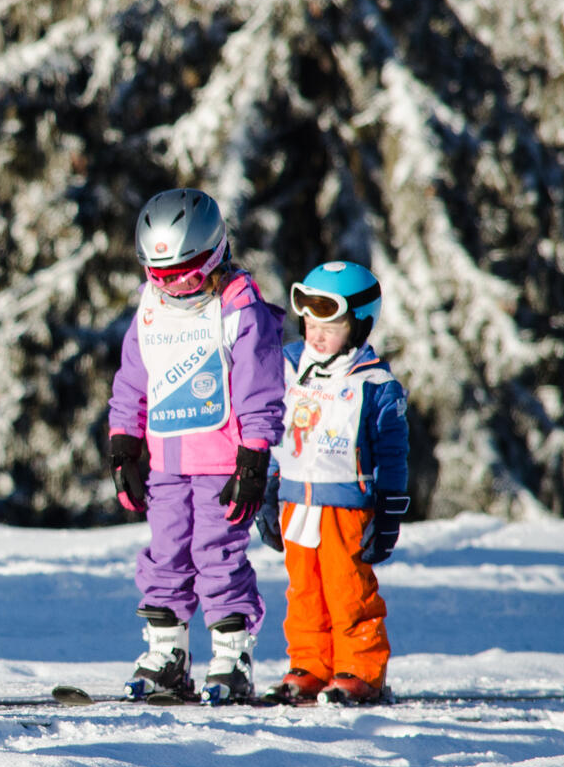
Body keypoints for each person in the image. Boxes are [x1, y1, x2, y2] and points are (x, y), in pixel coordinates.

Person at [107, 189, 287, 703]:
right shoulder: (151, 310)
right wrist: (124, 445)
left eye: (184, 273)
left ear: (214, 255)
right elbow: (134, 380)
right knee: (165, 553)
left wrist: (254, 455)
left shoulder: (237, 307)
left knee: (217, 555)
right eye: (158, 275)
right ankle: (167, 653)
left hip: (222, 462)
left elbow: (260, 385)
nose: (172, 287)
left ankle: (232, 656)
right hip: (167, 460)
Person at [257, 261, 410, 706]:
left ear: (360, 324)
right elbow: (272, 428)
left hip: (346, 506)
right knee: (303, 590)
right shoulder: (288, 366)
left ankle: (360, 670)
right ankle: (309, 665)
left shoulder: (375, 384)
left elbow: (392, 456)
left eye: (331, 324)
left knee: (348, 590)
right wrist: (268, 488)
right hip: (295, 501)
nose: (316, 334)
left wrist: (389, 509)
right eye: (308, 321)